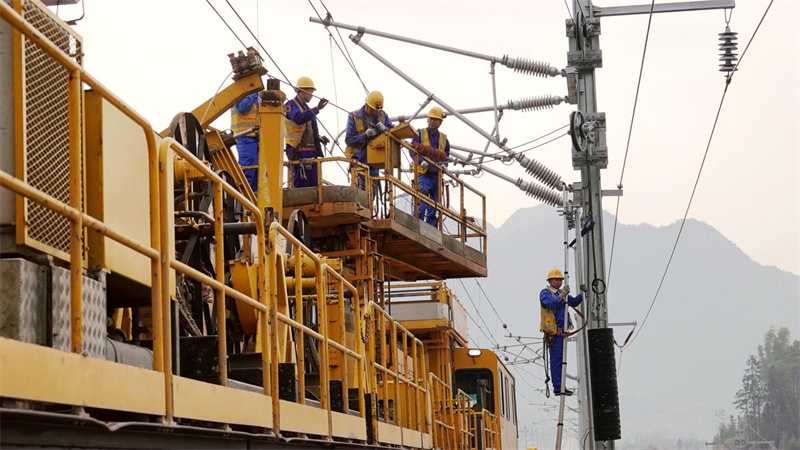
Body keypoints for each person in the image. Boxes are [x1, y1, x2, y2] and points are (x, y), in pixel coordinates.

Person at [540, 268, 584, 396]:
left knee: (560, 360)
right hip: (553, 333)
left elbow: (574, 302)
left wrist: (583, 293)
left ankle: (560, 385)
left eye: (560, 280)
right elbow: (550, 304)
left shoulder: (561, 294)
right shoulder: (546, 293)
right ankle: (558, 387)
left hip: (561, 332)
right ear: (550, 280)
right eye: (556, 279)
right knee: (556, 360)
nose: (559, 282)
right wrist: (562, 295)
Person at [284, 76, 329, 188]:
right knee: (301, 185)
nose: (312, 95)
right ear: (303, 91)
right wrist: (317, 109)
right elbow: (299, 118)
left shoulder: (306, 108)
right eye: (310, 91)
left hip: (311, 153)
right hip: (300, 153)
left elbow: (307, 128)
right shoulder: (290, 105)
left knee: (314, 187)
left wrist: (318, 138)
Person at [344, 91, 394, 190]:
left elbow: (394, 133)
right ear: (366, 105)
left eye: (376, 110)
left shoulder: (383, 116)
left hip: (376, 160)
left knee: (372, 189)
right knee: (360, 190)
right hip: (359, 159)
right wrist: (365, 135)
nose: (375, 113)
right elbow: (349, 140)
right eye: (372, 110)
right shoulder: (354, 116)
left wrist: (386, 129)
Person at [410, 106, 450, 227]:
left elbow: (446, 155)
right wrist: (420, 161)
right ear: (427, 119)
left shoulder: (443, 138)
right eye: (430, 118)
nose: (432, 121)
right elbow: (412, 149)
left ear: (440, 122)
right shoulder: (420, 133)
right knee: (422, 201)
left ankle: (431, 229)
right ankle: (417, 225)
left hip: (436, 177)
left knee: (435, 205)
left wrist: (444, 165)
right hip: (424, 175)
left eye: (435, 119)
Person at [231, 92, 260, 193]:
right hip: (244, 136)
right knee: (249, 168)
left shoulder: (256, 96)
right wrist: (254, 94)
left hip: (257, 137)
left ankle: (255, 197)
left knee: (258, 170)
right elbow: (242, 108)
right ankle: (247, 197)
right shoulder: (238, 92)